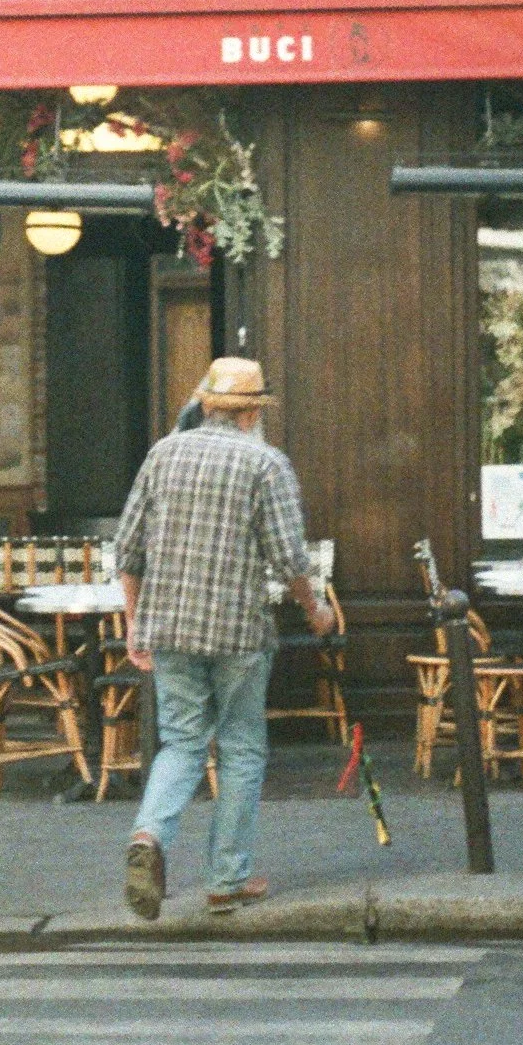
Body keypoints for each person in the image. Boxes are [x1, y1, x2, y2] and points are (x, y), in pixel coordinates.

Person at [115, 355, 337, 920]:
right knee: (240, 748)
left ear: (208, 404)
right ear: (251, 413)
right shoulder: (266, 463)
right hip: (238, 630)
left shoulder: (162, 455)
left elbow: (128, 549)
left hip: (169, 625)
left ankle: (148, 835)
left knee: (181, 744)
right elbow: (289, 557)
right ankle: (226, 879)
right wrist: (316, 611)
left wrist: (135, 621)